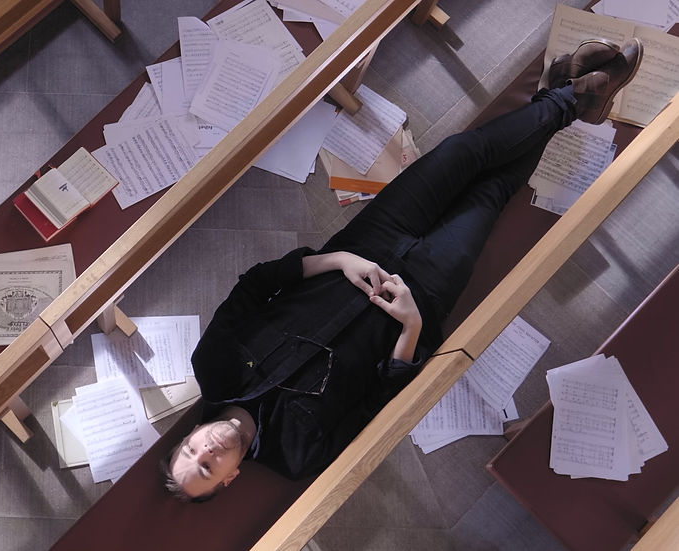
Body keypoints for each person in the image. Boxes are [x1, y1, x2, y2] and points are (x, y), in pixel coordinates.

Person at [162, 38, 643, 501]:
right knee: (491, 193)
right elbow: (380, 401)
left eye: (190, 450)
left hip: (365, 244)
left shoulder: (212, 363)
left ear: (190, 435)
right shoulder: (297, 457)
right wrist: (411, 326)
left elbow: (256, 285)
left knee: (461, 152)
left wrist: (338, 259)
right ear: (229, 479)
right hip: (423, 294)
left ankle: (570, 98)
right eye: (206, 469)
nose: (206, 451)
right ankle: (568, 94)